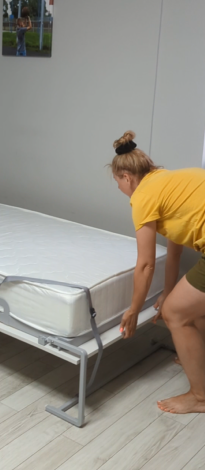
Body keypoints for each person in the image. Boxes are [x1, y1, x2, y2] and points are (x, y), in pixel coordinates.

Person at [111, 131, 205, 415]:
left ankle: (200, 397)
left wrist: (133, 310)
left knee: (176, 313)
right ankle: (197, 359)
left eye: (117, 183)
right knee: (191, 308)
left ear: (127, 177)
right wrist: (167, 292)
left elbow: (145, 264)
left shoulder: (143, 196)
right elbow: (174, 251)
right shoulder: (166, 182)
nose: (119, 188)